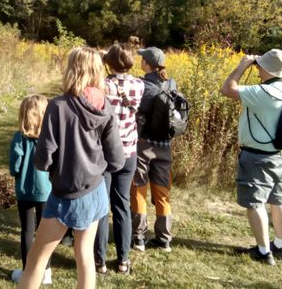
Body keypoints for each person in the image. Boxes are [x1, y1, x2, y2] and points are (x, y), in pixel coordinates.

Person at [18, 47, 125, 289]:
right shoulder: (105, 106)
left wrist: (58, 167)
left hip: (67, 194)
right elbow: (117, 160)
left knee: (36, 258)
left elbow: (42, 159)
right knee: (85, 256)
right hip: (96, 191)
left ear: (72, 70)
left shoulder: (58, 106)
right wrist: (93, 166)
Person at [221, 49, 282, 265]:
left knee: (255, 203)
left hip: (257, 157)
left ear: (266, 68)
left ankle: (264, 251)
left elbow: (227, 89)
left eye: (260, 65)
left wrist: (243, 65)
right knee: (279, 199)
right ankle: (281, 246)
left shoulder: (262, 92)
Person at [94, 43, 144, 275]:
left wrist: (102, 59)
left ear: (110, 63)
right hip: (129, 151)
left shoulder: (103, 85)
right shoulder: (139, 85)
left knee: (102, 206)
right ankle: (123, 259)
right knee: (122, 204)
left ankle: (100, 261)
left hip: (106, 152)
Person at [130, 47, 175, 252]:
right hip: (164, 144)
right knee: (162, 190)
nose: (140, 61)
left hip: (143, 143)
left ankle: (138, 237)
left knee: (138, 188)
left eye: (142, 59)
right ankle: (164, 239)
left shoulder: (141, 85)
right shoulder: (171, 83)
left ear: (147, 64)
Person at [9, 95, 53, 284]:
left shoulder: (19, 138)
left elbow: (15, 167)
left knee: (27, 230)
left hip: (25, 190)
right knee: (45, 231)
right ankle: (46, 271)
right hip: (46, 190)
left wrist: (16, 171)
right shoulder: (49, 138)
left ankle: (28, 272)